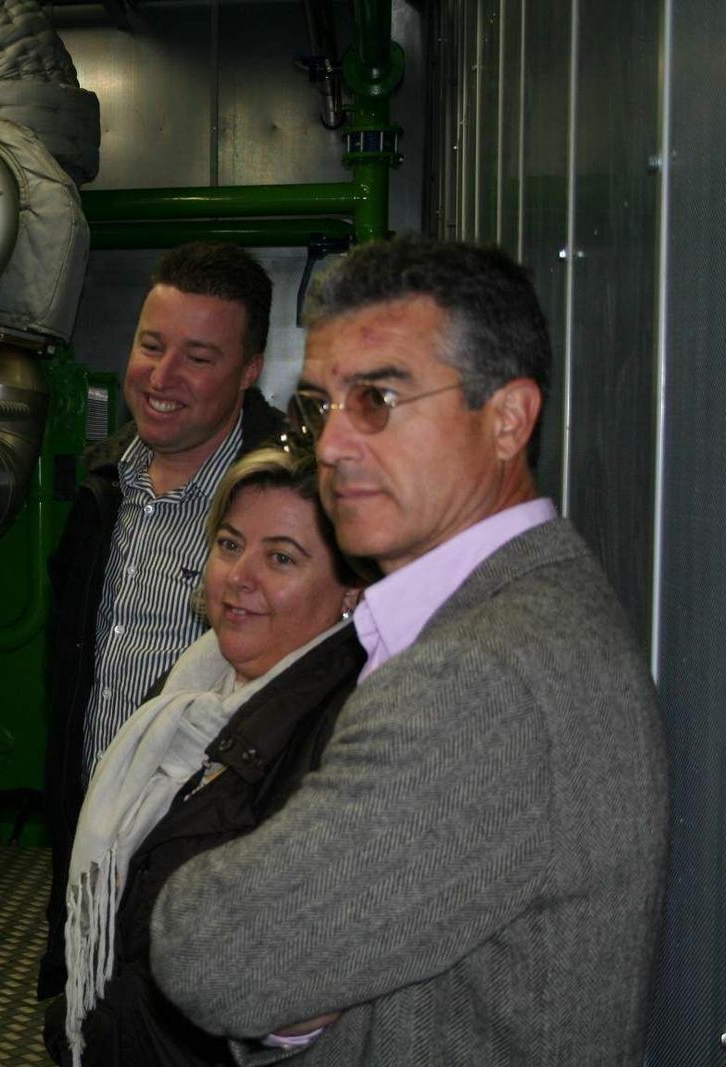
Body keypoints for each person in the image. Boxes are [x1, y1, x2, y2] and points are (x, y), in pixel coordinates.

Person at [149, 238, 668, 1064]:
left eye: (380, 399)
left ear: (508, 419)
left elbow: (213, 954)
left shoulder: (479, 676)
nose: (331, 447)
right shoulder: (526, 607)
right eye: (321, 406)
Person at [43, 443, 373, 1067]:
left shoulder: (345, 738)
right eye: (229, 544)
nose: (238, 576)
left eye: (281, 557)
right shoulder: (197, 685)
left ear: (352, 587)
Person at [41, 243, 286, 998]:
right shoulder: (102, 484)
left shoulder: (289, 505)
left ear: (250, 370)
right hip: (92, 849)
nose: (161, 378)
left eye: (199, 357)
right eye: (151, 345)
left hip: (218, 871)